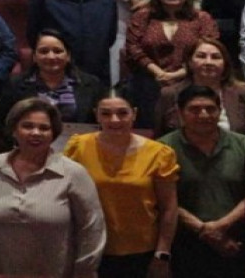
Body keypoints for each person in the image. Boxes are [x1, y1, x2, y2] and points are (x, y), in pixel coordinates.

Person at [0, 95, 108, 277]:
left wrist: (84, 272)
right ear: (14, 130)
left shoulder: (73, 172)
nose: (35, 133)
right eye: (27, 126)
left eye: (44, 128)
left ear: (53, 133)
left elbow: (92, 228)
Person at [61, 89, 179, 278]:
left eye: (122, 113)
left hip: (142, 252)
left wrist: (162, 253)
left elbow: (169, 208)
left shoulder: (159, 153)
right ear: (96, 115)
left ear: (134, 114)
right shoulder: (78, 147)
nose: (114, 120)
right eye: (106, 114)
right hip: (90, 249)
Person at [156, 85, 245, 278]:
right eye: (194, 109)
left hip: (237, 242)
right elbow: (162, 198)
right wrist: (205, 230)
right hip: (185, 243)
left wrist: (221, 226)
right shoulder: (162, 148)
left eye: (210, 109)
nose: (203, 115)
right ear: (180, 112)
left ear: (220, 111)